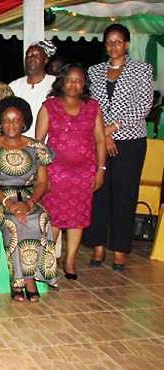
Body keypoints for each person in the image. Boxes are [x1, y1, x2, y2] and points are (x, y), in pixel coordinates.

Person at [83, 23, 154, 270]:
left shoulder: (142, 70)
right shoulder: (94, 71)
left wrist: (111, 129)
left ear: (126, 44)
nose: (113, 45)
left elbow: (143, 106)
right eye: (109, 41)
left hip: (131, 141)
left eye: (118, 41)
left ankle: (120, 250)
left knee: (124, 196)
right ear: (105, 45)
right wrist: (102, 135)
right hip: (99, 140)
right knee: (98, 192)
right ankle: (98, 246)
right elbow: (90, 107)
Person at [0, 97, 57, 302]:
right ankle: (17, 280)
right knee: (12, 223)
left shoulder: (37, 147)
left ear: (24, 122)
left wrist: (29, 204)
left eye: (16, 120)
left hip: (28, 196)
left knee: (41, 218)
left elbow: (42, 183)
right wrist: (8, 203)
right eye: (6, 120)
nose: (11, 124)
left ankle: (30, 279)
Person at [36, 64, 106, 280]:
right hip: (56, 173)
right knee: (54, 219)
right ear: (62, 82)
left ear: (84, 83)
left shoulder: (92, 106)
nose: (74, 84)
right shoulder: (49, 106)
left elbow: (101, 139)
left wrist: (100, 170)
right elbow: (39, 143)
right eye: (70, 79)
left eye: (79, 80)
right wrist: (42, 174)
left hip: (84, 174)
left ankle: (70, 261)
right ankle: (47, 263)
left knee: (77, 219)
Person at [9, 41, 57, 139]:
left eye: (36, 55)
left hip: (48, 147)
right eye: (29, 55)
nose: (31, 58)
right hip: (19, 146)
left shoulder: (56, 84)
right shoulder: (14, 86)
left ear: (45, 60)